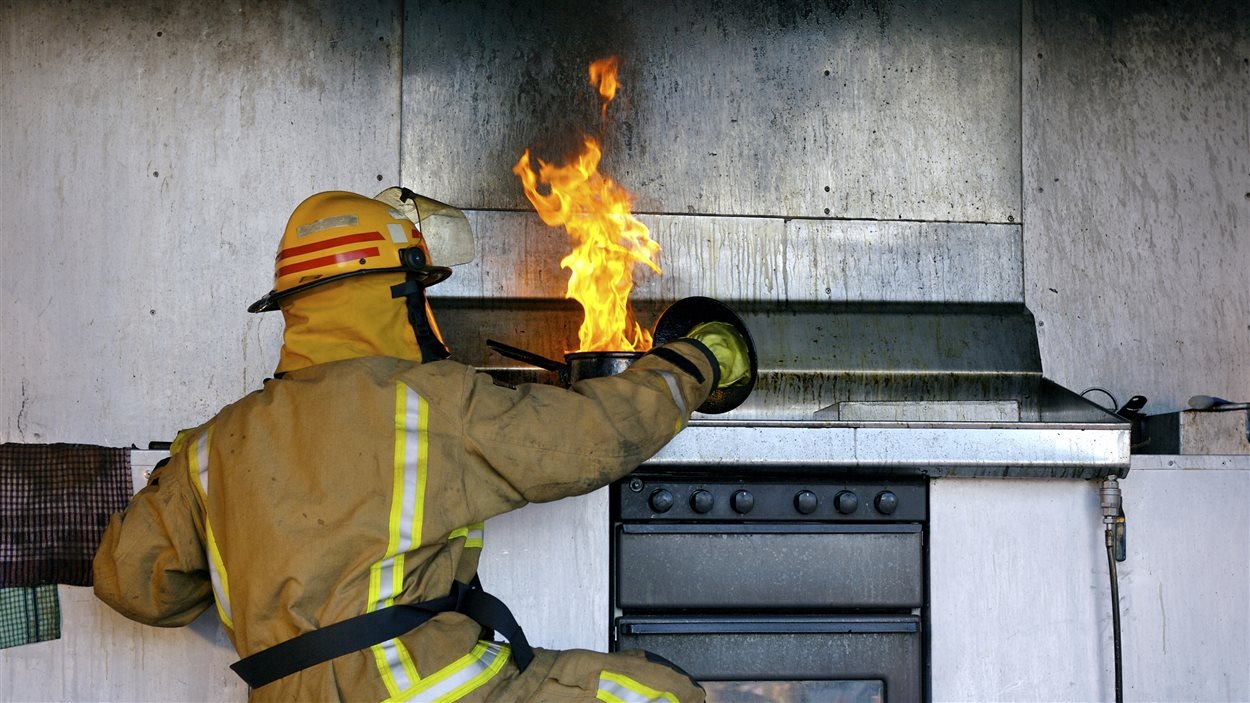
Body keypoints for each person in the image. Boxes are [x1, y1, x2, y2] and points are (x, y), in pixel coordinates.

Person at [93, 187, 751, 702]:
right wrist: (694, 362)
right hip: (416, 686)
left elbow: (134, 586)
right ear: (395, 293)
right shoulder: (425, 402)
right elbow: (592, 439)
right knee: (656, 692)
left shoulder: (214, 445)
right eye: (421, 294)